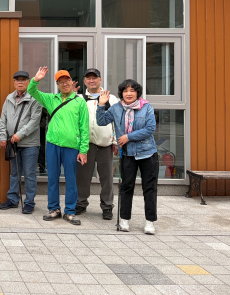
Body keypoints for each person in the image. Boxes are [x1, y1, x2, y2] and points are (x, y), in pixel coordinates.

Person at [28, 67, 89, 226]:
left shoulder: (79, 101)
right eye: (60, 82)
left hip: (71, 146)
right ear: (57, 85)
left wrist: (83, 150)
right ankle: (54, 208)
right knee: (53, 178)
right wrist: (36, 79)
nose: (64, 84)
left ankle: (70, 211)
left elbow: (84, 127)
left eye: (67, 80)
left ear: (71, 81)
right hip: (53, 144)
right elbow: (32, 91)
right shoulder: (51, 99)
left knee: (71, 179)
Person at [97, 80, 158, 234]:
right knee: (126, 187)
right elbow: (101, 121)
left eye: (132, 90)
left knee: (149, 189)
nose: (129, 94)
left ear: (137, 93)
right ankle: (124, 219)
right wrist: (101, 105)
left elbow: (150, 128)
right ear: (121, 93)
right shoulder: (116, 108)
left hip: (147, 153)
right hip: (127, 154)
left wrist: (128, 137)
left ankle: (150, 222)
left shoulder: (147, 107)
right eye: (125, 91)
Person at [75, 68, 119, 220]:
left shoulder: (111, 98)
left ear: (100, 80)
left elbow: (116, 121)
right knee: (82, 177)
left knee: (107, 178)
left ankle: (107, 206)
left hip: (105, 145)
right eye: (88, 78)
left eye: (94, 78)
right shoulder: (79, 98)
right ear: (84, 81)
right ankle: (81, 203)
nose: (91, 80)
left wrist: (115, 141)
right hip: (85, 146)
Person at [0, 71, 43, 214]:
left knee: (29, 174)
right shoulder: (9, 98)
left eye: (23, 80)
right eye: (17, 80)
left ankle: (29, 202)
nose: (20, 82)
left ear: (29, 81)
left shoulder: (35, 98)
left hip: (30, 144)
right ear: (14, 82)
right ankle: (13, 199)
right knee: (14, 173)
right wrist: (2, 136)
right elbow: (3, 118)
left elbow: (34, 122)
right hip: (13, 143)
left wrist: (20, 134)